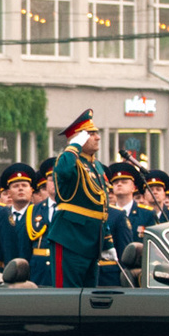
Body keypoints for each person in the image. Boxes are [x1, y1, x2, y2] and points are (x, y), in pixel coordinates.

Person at [46, 111, 108, 289]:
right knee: (67, 298)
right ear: (78, 138)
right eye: (91, 134)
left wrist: (108, 241)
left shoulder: (96, 165)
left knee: (88, 298)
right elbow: (64, 170)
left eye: (97, 133)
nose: (97, 137)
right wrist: (73, 147)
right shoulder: (67, 160)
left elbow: (102, 205)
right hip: (70, 239)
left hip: (92, 241)